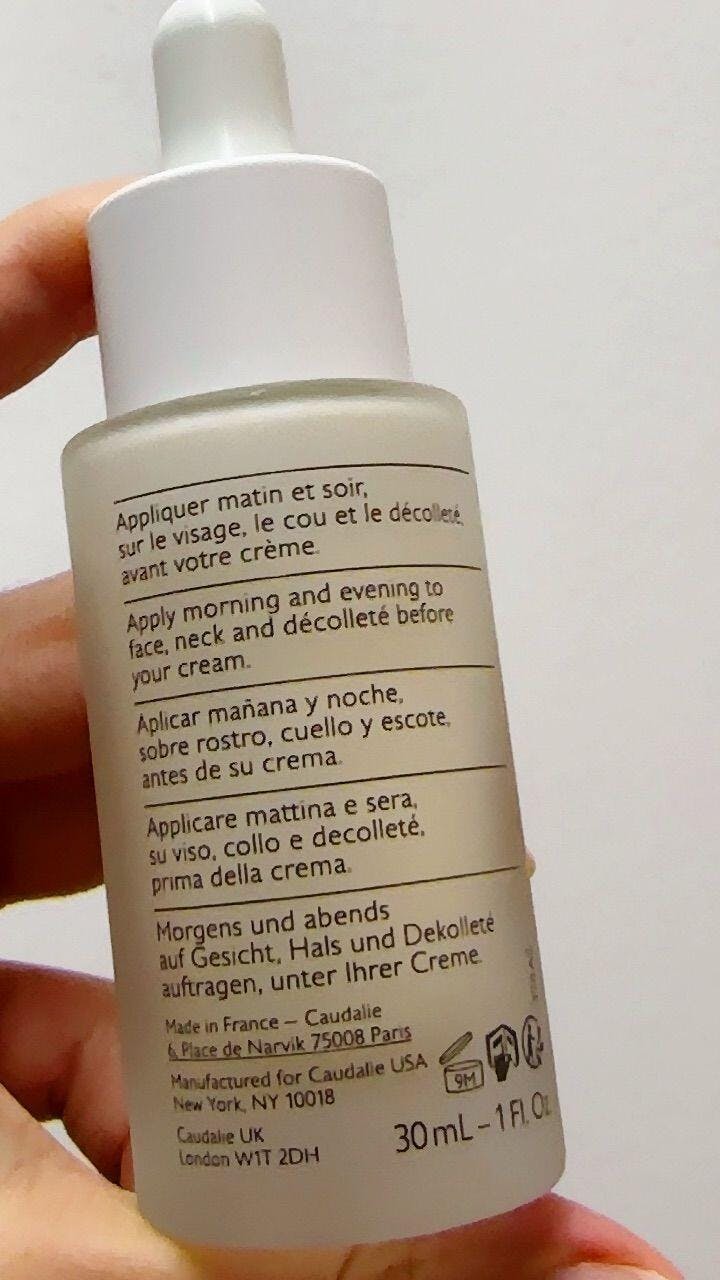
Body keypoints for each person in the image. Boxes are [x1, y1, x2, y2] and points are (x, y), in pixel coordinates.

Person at [0, 184, 681, 1280]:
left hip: (461, 1069)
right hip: (228, 1105)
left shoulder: (410, 436)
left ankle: (469, 1092)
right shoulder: (129, 473)